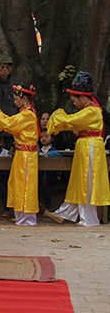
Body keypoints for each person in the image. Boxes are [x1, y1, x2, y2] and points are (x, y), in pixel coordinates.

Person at [44, 72, 110, 226]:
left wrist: (59, 115)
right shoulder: (89, 110)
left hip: (90, 147)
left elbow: (71, 121)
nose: (74, 103)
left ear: (82, 97)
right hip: (86, 146)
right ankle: (66, 212)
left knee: (86, 181)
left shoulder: (92, 111)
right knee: (81, 181)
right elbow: (73, 123)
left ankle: (88, 219)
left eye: (75, 100)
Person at [0, 84, 40, 225]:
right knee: (19, 184)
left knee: (25, 184)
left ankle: (27, 217)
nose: (15, 101)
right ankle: (22, 216)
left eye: (17, 98)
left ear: (24, 99)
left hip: (27, 155)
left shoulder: (28, 114)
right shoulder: (25, 113)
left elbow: (10, 124)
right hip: (22, 153)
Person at [38, 128, 60, 211]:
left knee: (47, 190)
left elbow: (55, 169)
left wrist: (48, 179)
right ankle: (39, 204)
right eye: (41, 136)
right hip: (39, 178)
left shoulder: (54, 151)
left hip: (50, 179)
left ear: (52, 138)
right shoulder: (38, 150)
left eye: (46, 136)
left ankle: (47, 208)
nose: (43, 138)